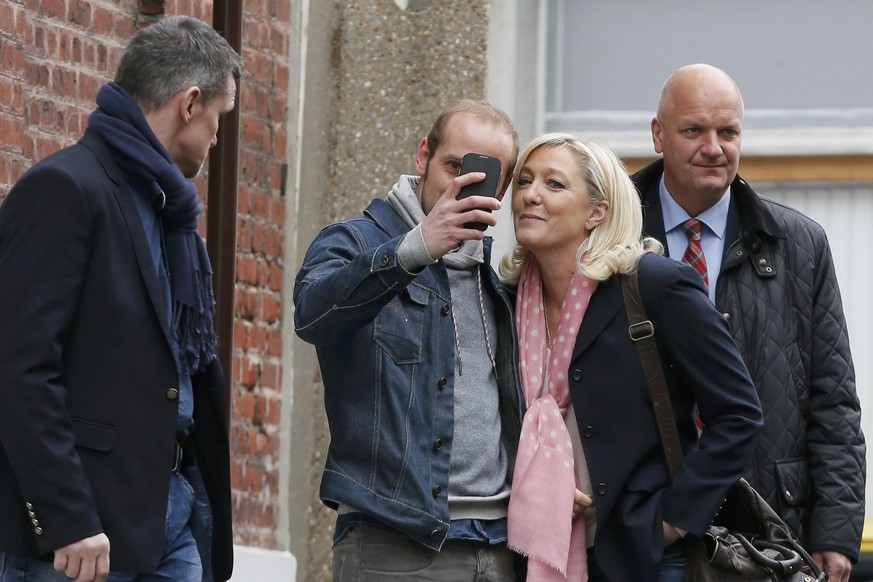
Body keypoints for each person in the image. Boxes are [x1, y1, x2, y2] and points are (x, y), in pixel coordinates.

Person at [0, 16, 242, 582]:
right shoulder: (67, 189)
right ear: (189, 103)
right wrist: (66, 517)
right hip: (83, 537)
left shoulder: (167, 208)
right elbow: (18, 366)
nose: (216, 136)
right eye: (219, 117)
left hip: (168, 516)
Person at [632, 63, 866, 581]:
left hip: (768, 529)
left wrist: (836, 532)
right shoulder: (606, 234)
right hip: (644, 525)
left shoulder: (800, 244)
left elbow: (833, 400)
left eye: (728, 131)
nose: (713, 147)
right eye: (694, 130)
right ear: (658, 134)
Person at [502, 133, 763, 581]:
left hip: (646, 557)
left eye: (554, 184)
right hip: (535, 549)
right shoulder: (505, 300)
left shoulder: (655, 286)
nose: (531, 194)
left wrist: (670, 522)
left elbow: (739, 414)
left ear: (598, 211)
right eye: (524, 180)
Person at [293, 99, 525, 581]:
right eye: (453, 166)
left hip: (499, 548)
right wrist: (416, 247)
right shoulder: (354, 242)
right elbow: (313, 317)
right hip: (395, 544)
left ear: (501, 188)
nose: (462, 184)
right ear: (423, 157)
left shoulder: (499, 284)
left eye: (483, 174)